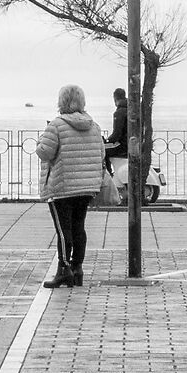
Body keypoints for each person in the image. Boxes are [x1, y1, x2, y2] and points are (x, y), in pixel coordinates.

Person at [35, 85, 108, 289]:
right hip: (86, 187)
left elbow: (45, 152)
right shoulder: (93, 126)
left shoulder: (56, 126)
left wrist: (40, 142)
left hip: (62, 186)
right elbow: (101, 154)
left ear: (62, 102)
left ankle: (63, 269)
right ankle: (77, 268)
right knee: (78, 227)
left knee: (63, 230)